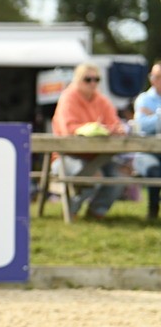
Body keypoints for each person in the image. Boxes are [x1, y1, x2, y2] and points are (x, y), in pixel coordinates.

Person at [52, 63, 125, 219]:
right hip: (66, 157)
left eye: (96, 79)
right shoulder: (68, 98)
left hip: (98, 157)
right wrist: (93, 129)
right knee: (92, 176)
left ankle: (96, 212)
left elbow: (116, 125)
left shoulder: (102, 100)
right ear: (77, 80)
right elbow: (68, 130)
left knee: (120, 177)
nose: (93, 83)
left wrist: (113, 130)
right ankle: (72, 211)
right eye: (88, 79)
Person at [132, 63, 161, 221]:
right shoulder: (143, 99)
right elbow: (142, 126)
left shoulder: (147, 104)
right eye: (154, 76)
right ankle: (153, 211)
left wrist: (154, 115)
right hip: (146, 152)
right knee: (154, 170)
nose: (156, 80)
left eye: (159, 77)